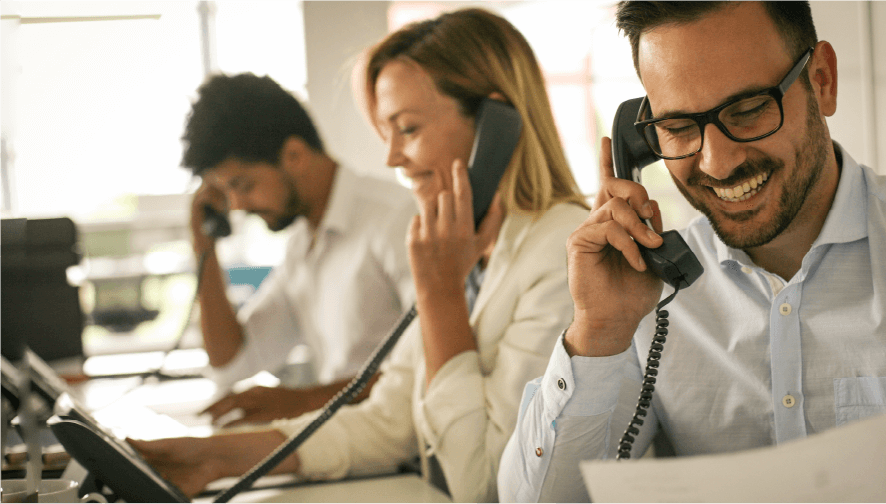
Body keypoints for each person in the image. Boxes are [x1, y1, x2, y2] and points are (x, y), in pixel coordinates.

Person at [498, 1, 886, 502]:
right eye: (680, 128)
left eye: (747, 108)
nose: (717, 160)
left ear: (821, 81)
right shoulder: (643, 293)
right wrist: (598, 333)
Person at [130, 8, 589, 502]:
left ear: (494, 125)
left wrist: (441, 299)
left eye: (407, 129)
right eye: (385, 134)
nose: (391, 157)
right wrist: (220, 456)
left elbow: (482, 482)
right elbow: (390, 419)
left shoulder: (561, 253)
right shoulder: (464, 248)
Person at [179, 73, 417, 427]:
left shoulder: (395, 219)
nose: (238, 206)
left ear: (294, 155)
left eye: (243, 185)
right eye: (227, 193)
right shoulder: (302, 247)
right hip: (346, 451)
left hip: (405, 458)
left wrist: (304, 401)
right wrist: (204, 245)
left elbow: (434, 366)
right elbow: (231, 363)